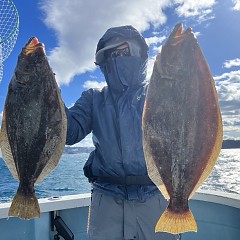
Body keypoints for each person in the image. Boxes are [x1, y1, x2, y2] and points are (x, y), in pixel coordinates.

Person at [65, 25, 180, 240]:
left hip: (156, 196)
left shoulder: (159, 92)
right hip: (106, 199)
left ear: (140, 53)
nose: (117, 59)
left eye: (124, 51)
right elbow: (68, 133)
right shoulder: (93, 98)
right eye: (111, 55)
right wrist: (47, 97)